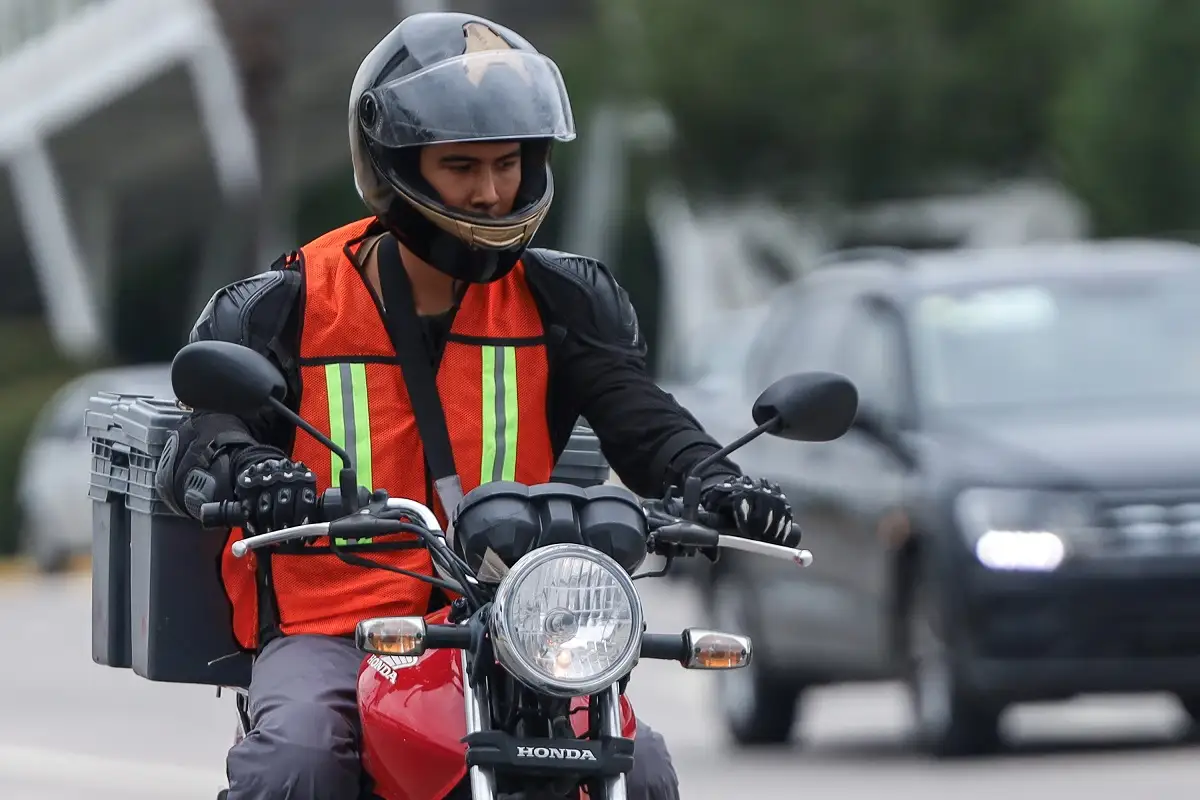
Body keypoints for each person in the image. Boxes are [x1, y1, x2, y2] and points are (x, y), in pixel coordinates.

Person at [156, 12, 797, 800]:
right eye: (461, 166)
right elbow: (203, 435)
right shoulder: (289, 302)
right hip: (340, 629)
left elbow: (641, 418)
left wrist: (713, 479)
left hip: (515, 627)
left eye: (508, 164)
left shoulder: (564, 300)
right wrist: (248, 469)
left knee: (645, 771)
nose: (492, 193)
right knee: (299, 761)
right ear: (396, 168)